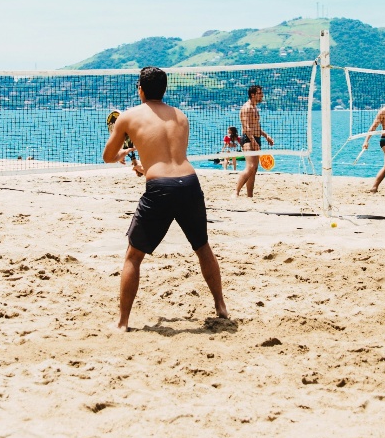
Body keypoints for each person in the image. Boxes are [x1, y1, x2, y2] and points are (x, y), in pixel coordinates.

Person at [104, 66, 229, 332]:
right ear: (164, 89)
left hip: (160, 187)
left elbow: (107, 156)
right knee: (202, 247)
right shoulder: (181, 116)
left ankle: (123, 323)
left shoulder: (128, 117)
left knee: (133, 256)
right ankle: (221, 307)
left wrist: (126, 151)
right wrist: (142, 164)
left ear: (140, 88)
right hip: (189, 183)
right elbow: (169, 154)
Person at [234, 83, 276, 199]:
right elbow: (246, 128)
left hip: (255, 139)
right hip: (248, 139)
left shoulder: (254, 107)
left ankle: (249, 196)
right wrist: (253, 142)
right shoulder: (246, 108)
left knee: (254, 169)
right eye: (259, 93)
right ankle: (236, 192)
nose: (262, 96)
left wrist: (266, 136)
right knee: (250, 167)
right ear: (253, 95)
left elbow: (255, 126)